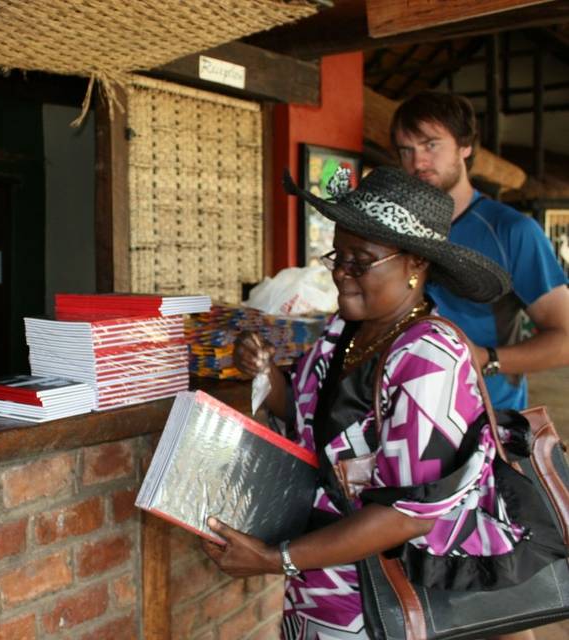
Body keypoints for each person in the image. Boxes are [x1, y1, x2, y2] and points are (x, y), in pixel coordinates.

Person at [215, 166, 564, 639]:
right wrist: (266, 372)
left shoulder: (429, 359)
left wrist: (276, 559)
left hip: (378, 599)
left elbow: (406, 515)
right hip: (323, 585)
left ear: (415, 265)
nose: (341, 273)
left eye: (360, 261)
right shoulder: (344, 332)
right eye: (338, 255)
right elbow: (306, 416)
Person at [390, 91, 569, 410]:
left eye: (431, 145)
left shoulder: (511, 231)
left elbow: (565, 338)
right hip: (403, 409)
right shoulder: (393, 229)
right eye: (407, 150)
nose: (417, 162)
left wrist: (486, 359)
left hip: (485, 417)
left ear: (465, 146)